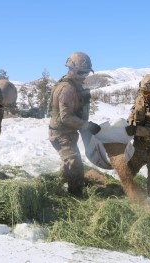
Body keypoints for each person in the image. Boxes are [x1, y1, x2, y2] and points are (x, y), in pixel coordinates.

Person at [48, 51, 101, 197]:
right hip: (60, 134)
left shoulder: (74, 85)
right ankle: (75, 199)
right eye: (81, 72)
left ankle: (60, 188)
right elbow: (66, 117)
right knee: (75, 166)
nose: (84, 76)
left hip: (68, 133)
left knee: (70, 162)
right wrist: (87, 125)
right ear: (72, 69)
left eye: (86, 73)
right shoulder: (67, 89)